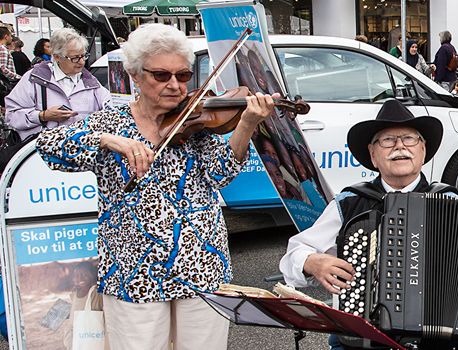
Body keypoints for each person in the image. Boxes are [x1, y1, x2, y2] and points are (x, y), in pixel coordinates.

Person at [35, 24, 277, 349]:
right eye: (161, 76)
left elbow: (221, 174)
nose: (176, 86)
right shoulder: (111, 121)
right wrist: (107, 141)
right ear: (135, 74)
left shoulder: (197, 122)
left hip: (200, 263)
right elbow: (50, 147)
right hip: (134, 271)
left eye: (183, 75)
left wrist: (246, 124)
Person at [278, 98, 458, 349]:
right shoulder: (350, 203)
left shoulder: (456, 206)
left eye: (409, 139)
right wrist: (312, 262)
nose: (400, 147)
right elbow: (293, 255)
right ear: (373, 155)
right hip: (365, 342)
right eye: (387, 140)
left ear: (423, 151)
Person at [5, 28, 111, 141]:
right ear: (56, 57)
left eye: (83, 56)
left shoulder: (90, 82)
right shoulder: (35, 78)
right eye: (75, 58)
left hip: (82, 152)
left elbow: (110, 108)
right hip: (42, 154)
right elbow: (11, 116)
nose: (81, 62)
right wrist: (42, 116)